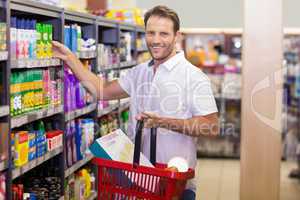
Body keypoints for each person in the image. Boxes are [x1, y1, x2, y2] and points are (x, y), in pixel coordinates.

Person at [52, 5, 219, 199]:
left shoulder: (193, 77)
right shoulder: (140, 72)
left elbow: (211, 126)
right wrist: (70, 58)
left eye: (164, 34)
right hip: (137, 181)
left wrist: (163, 122)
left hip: (175, 185)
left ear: (177, 36)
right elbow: (102, 90)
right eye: (151, 33)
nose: (156, 40)